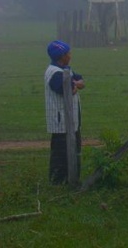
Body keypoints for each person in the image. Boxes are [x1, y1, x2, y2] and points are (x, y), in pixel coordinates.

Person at [44, 40, 85, 184]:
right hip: (61, 122)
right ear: (62, 56)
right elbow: (68, 90)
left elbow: (80, 80)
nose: (70, 55)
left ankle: (72, 178)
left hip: (71, 121)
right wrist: (75, 85)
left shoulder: (65, 69)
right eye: (68, 53)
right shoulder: (54, 74)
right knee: (61, 153)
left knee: (74, 150)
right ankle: (57, 181)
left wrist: (75, 83)